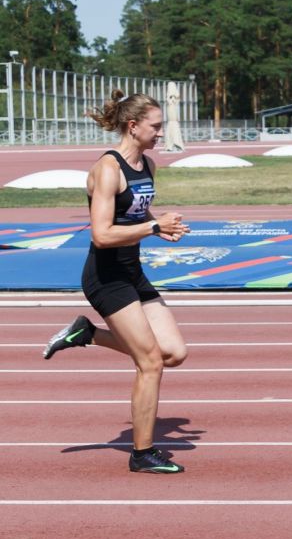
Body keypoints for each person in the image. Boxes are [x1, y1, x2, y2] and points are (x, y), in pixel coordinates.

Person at [44, 89, 191, 474]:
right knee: (150, 363)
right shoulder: (107, 170)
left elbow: (137, 215)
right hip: (106, 277)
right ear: (133, 126)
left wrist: (160, 228)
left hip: (132, 272)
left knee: (173, 353)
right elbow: (102, 235)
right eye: (155, 127)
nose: (160, 133)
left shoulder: (148, 166)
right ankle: (142, 453)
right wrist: (153, 226)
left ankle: (87, 334)